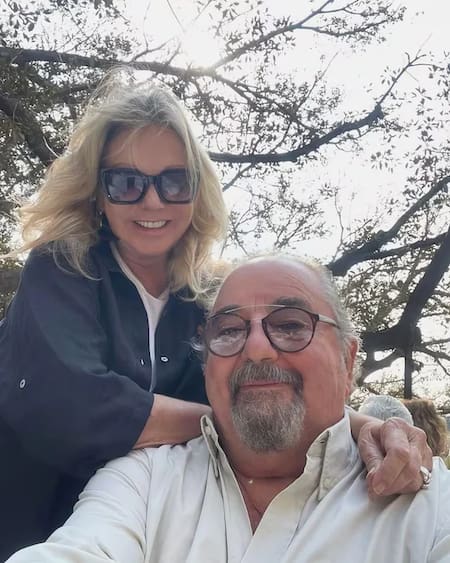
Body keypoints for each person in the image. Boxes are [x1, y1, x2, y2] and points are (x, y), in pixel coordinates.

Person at [0, 75, 431, 558]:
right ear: (98, 193)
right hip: (32, 518)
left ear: (197, 189)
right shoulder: (63, 266)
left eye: (174, 181)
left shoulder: (211, 301)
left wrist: (363, 426)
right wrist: (231, 416)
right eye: (125, 182)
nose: (152, 201)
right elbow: (70, 405)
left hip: (159, 533)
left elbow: (271, 382)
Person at [7, 255, 448, 563]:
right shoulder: (144, 481)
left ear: (348, 361)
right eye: (229, 330)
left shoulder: (426, 502)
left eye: (290, 325)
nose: (255, 349)